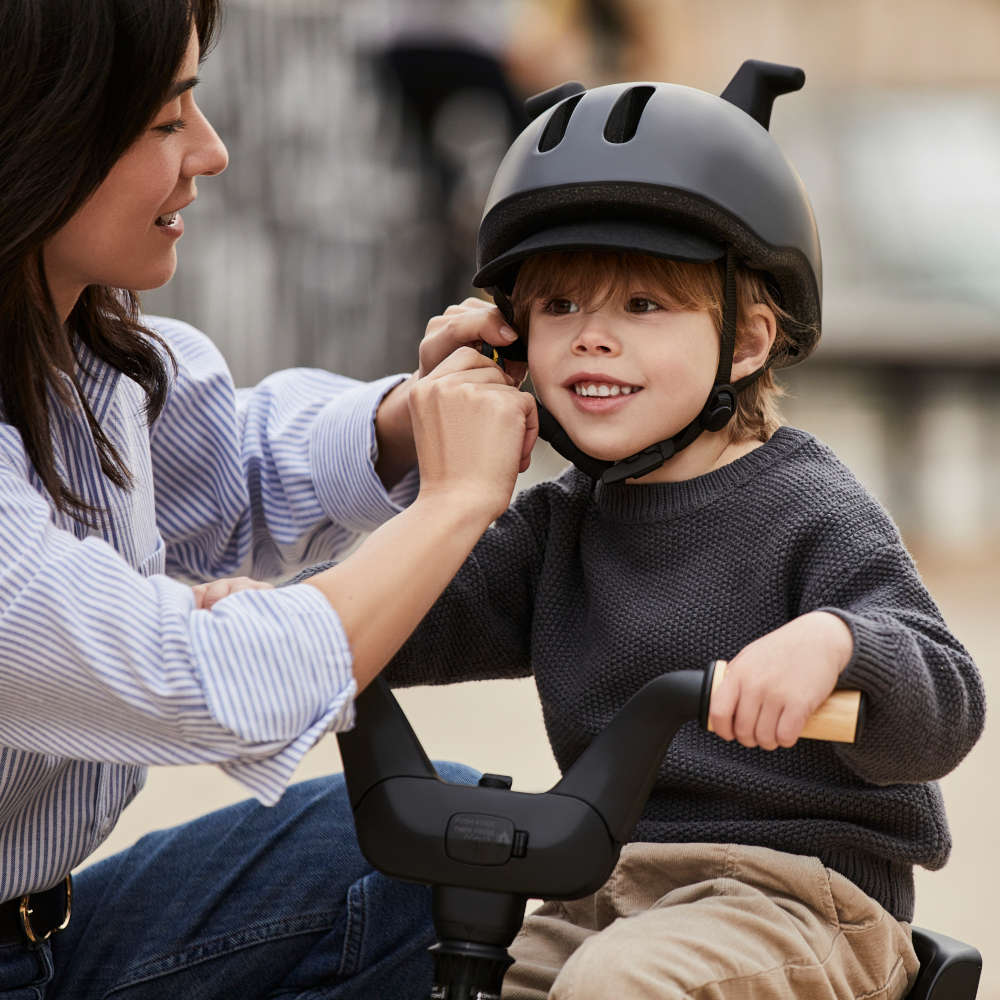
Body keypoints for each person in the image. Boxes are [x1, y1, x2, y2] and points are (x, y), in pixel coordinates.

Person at [368, 67, 988, 998]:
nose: (592, 338)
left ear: (743, 342)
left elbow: (949, 700)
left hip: (798, 903)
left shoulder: (808, 508)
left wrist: (838, 644)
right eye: (560, 306)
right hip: (605, 888)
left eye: (643, 305)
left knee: (616, 989)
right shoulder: (555, 527)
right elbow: (393, 623)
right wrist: (276, 619)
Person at [0, 1, 536, 997]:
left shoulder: (80, 347)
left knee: (440, 840)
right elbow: (200, 678)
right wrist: (454, 500)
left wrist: (406, 422)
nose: (211, 153)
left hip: (43, 930)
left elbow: (231, 471)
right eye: (165, 122)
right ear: (39, 129)